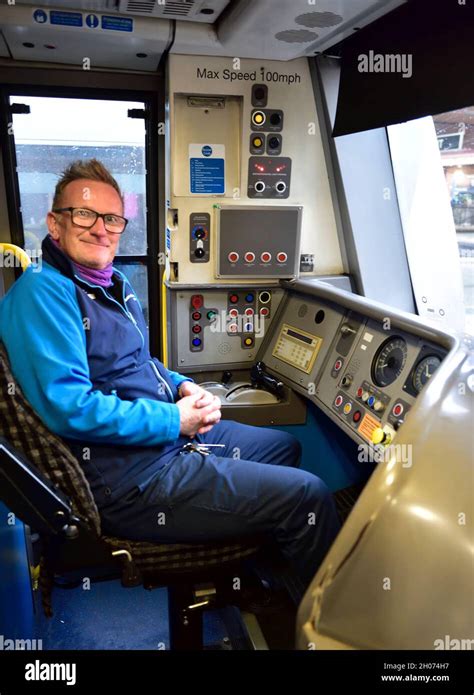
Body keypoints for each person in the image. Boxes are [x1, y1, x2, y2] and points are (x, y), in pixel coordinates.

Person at [0, 159, 340, 593]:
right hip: (129, 480)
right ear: (55, 223)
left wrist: (181, 383)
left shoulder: (109, 284)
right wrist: (174, 421)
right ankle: (326, 623)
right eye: (83, 214)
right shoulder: (44, 293)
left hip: (164, 442)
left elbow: (141, 361)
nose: (100, 229)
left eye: (112, 218)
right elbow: (71, 409)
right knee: (307, 495)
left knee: (282, 446)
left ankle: (262, 574)